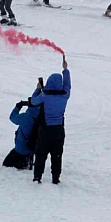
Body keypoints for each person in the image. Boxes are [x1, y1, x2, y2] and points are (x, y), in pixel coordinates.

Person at [28, 56, 70, 184]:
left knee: (41, 154)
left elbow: (33, 101)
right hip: (59, 130)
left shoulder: (44, 95)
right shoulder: (65, 95)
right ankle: (55, 178)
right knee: (57, 155)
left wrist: (38, 88)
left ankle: (37, 177)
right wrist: (65, 70)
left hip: (45, 129)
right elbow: (67, 84)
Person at [3, 100, 40, 170]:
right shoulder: (43, 117)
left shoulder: (26, 116)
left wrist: (18, 107)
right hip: (34, 148)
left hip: (21, 149)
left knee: (6, 165)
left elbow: (12, 118)